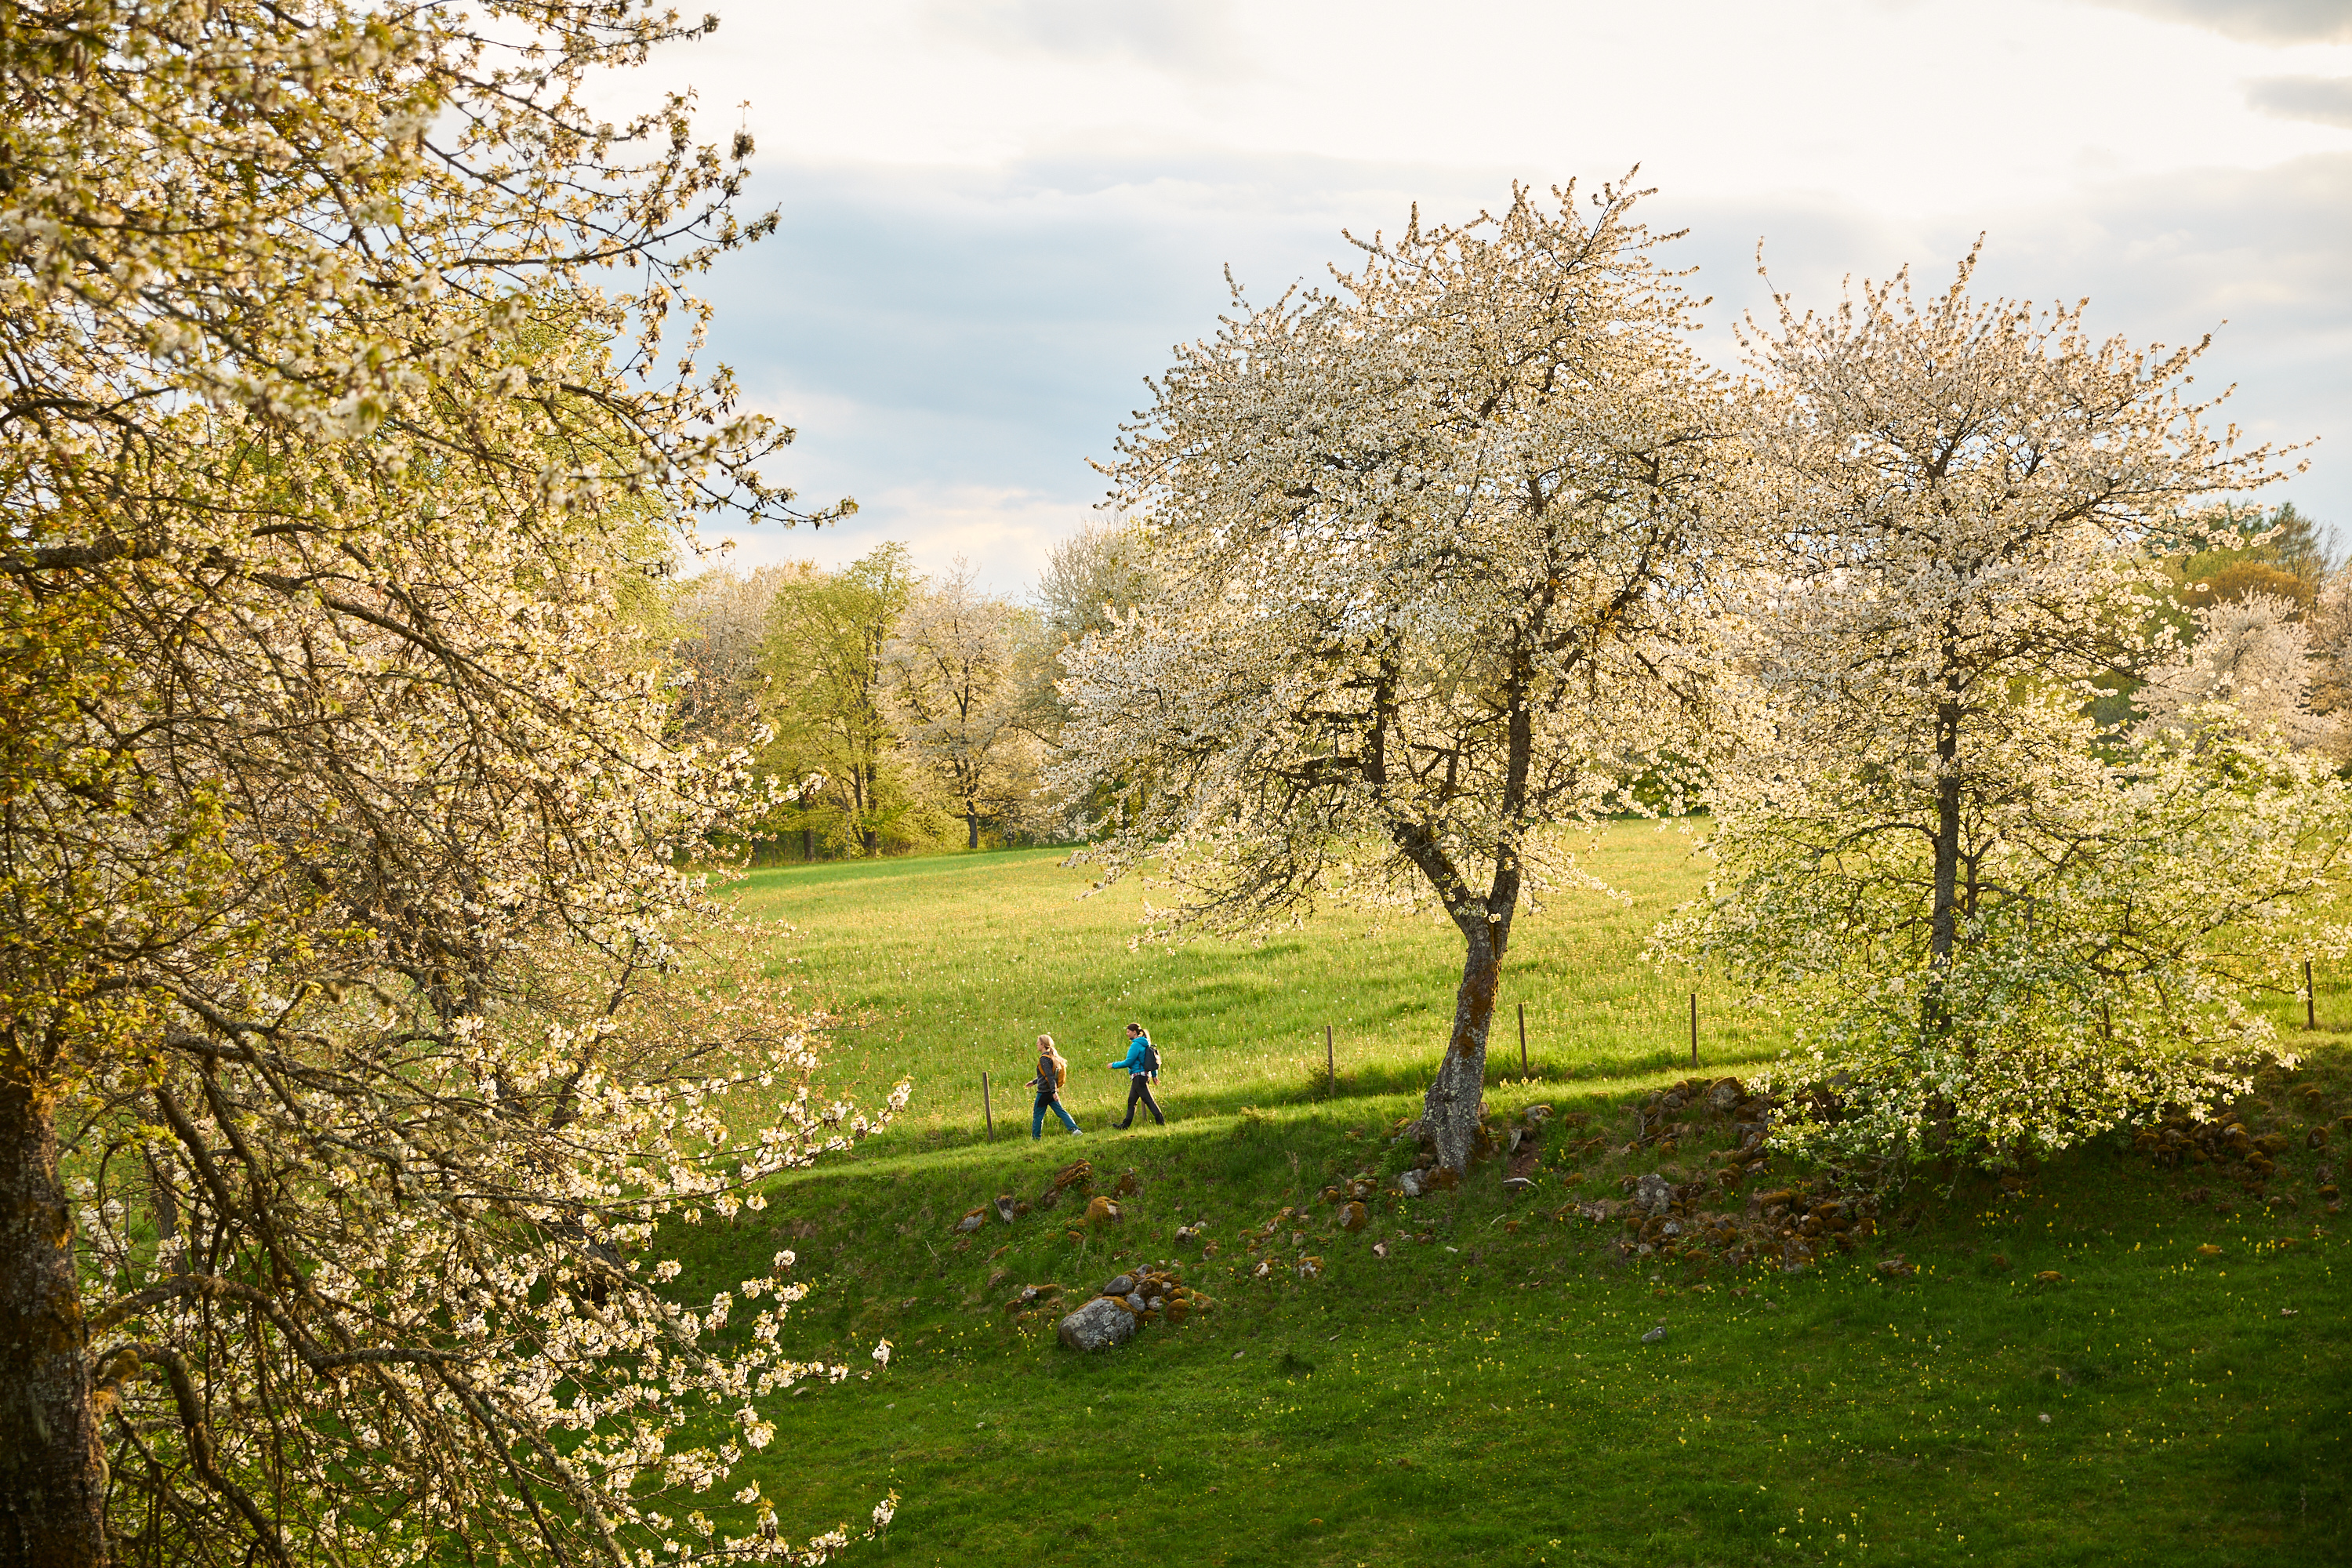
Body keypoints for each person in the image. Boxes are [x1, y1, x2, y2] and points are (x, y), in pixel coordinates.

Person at [1107, 1022, 1164, 1130]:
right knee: (1131, 1101)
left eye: (1128, 1032)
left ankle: (1161, 1122)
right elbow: (1150, 1059)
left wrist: (1113, 1065)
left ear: (1134, 1032)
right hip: (1142, 1076)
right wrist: (1154, 1075)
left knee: (1149, 1100)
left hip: (1138, 1077)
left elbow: (1129, 1062)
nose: (1127, 1034)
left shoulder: (1136, 1045)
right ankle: (1124, 1126)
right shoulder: (1145, 1043)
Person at [1028, 1034, 1080, 1138]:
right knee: (1061, 1112)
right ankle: (1075, 1130)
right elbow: (1048, 1076)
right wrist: (1034, 1082)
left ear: (1043, 1045)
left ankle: (1036, 1138)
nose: (1037, 1044)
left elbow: (1050, 1076)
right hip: (1051, 1092)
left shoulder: (1044, 1059)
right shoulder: (1052, 1057)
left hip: (1044, 1092)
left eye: (1038, 1043)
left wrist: (1053, 1092)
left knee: (1038, 1115)